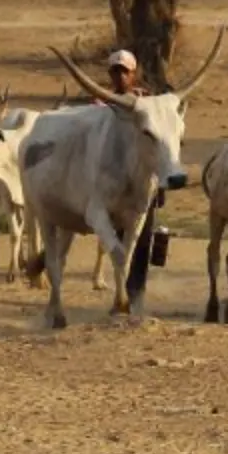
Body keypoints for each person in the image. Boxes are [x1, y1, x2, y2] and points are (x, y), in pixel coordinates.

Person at [99, 49, 160, 302]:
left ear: (133, 74)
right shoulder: (101, 104)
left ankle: (135, 290)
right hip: (109, 178)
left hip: (143, 179)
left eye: (124, 71)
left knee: (142, 235)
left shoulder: (148, 103)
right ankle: (120, 289)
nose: (120, 77)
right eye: (115, 71)